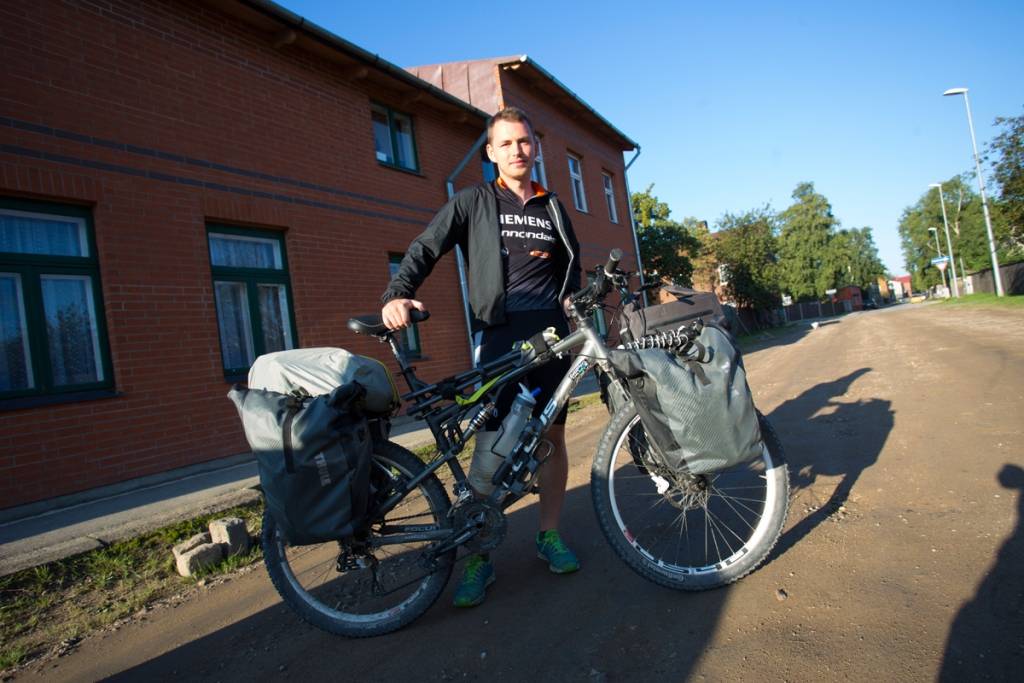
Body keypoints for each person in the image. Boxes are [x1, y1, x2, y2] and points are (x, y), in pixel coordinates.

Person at [381, 106, 582, 607]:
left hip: (553, 336)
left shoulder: (552, 206)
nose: (518, 150)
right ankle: (478, 555)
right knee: (492, 441)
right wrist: (397, 292)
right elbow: (427, 247)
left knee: (551, 435)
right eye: (507, 143)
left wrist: (580, 310)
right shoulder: (474, 201)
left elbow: (572, 272)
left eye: (525, 142)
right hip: (500, 336)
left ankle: (548, 535)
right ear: (491, 153)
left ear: (535, 149)